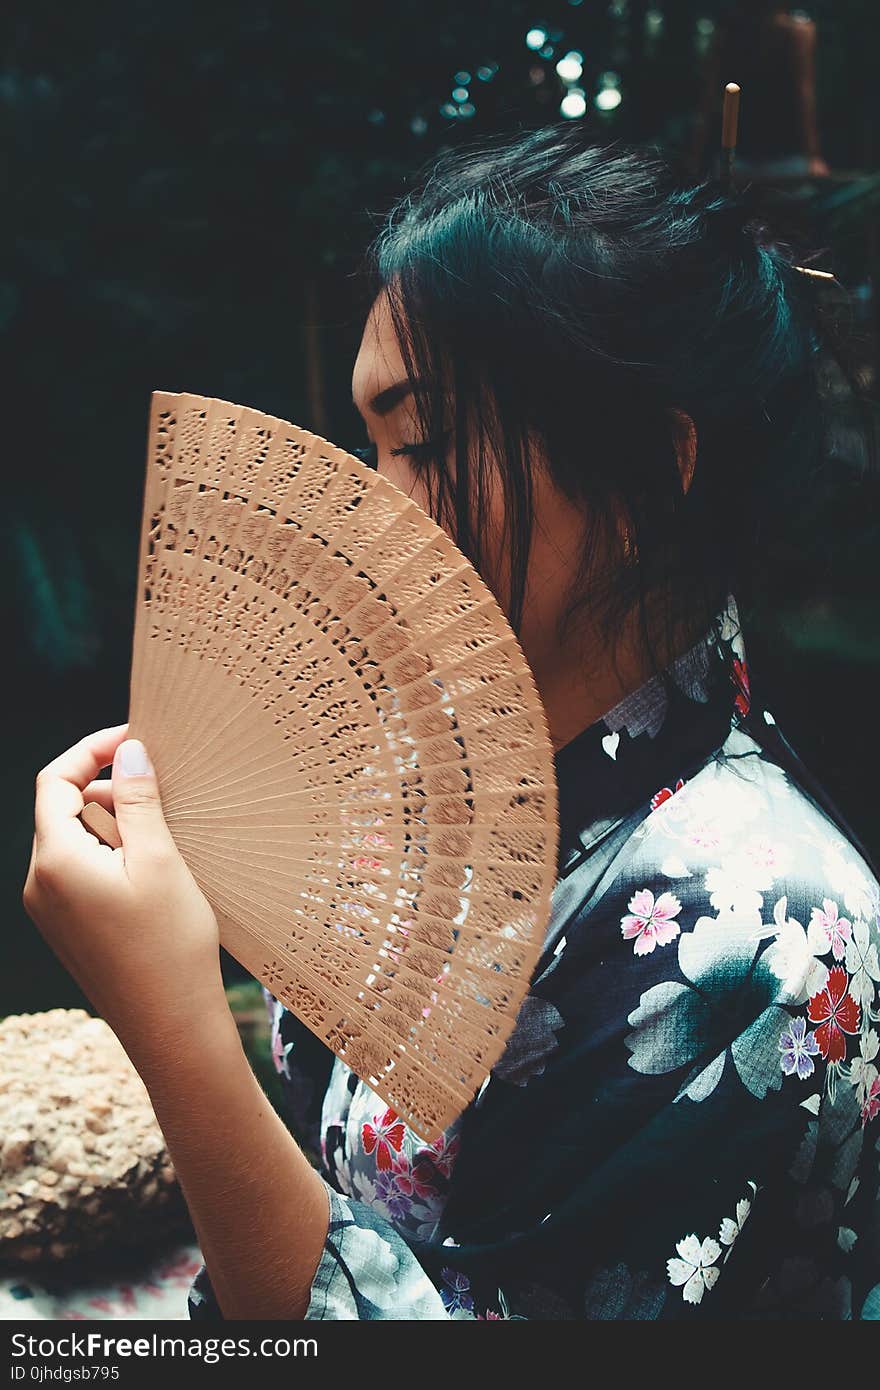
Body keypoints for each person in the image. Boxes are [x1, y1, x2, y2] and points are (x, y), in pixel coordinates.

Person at [24, 126, 880, 1321]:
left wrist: (174, 1026)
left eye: (421, 444)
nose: (373, 510)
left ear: (644, 464)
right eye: (371, 449)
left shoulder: (760, 937)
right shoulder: (426, 787)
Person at [690, 2, 830, 181]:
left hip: (746, 156)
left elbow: (708, 101)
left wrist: (695, 157)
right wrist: (813, 156)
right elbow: (804, 95)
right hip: (777, 156)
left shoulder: (728, 34)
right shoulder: (798, 34)